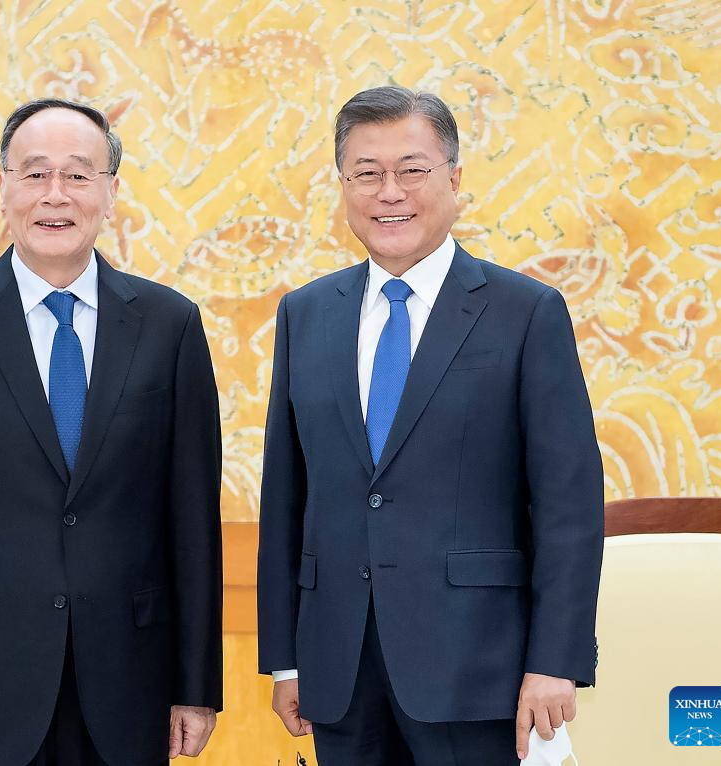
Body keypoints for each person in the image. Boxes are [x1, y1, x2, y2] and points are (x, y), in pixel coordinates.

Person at [0, 98, 223, 766]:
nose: (56, 195)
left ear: (111, 192)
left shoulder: (170, 326)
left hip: (127, 683)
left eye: (78, 175)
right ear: (2, 188)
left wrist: (195, 688)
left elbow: (192, 522)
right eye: (34, 174)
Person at [257, 85, 603, 765]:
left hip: (481, 670)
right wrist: (287, 659)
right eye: (366, 173)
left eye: (411, 169)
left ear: (453, 178)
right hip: (339, 669)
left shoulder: (525, 312)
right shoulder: (306, 314)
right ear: (343, 185)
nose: (389, 192)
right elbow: (287, 496)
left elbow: (567, 502)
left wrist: (554, 661)